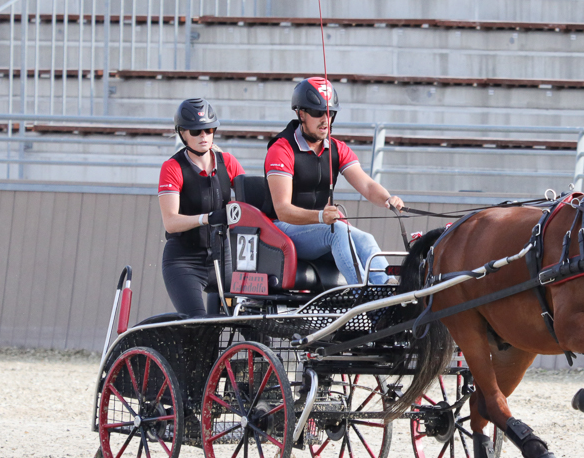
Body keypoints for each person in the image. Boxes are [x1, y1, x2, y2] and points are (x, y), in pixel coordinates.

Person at [264, 77, 404, 285]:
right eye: (317, 113)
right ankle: (361, 297)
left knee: (366, 239)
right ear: (301, 114)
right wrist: (320, 216)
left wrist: (388, 198)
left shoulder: (337, 148)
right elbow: (283, 210)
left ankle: (386, 290)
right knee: (337, 230)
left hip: (321, 226)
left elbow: (366, 185)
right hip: (283, 229)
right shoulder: (281, 150)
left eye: (330, 113)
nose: (325, 120)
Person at [158, 98, 245, 317]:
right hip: (184, 261)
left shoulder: (228, 162)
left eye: (208, 130)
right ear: (182, 133)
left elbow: (252, 199)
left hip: (221, 256)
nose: (203, 136)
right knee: (198, 324)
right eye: (196, 132)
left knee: (250, 316)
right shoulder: (172, 167)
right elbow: (171, 222)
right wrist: (206, 218)